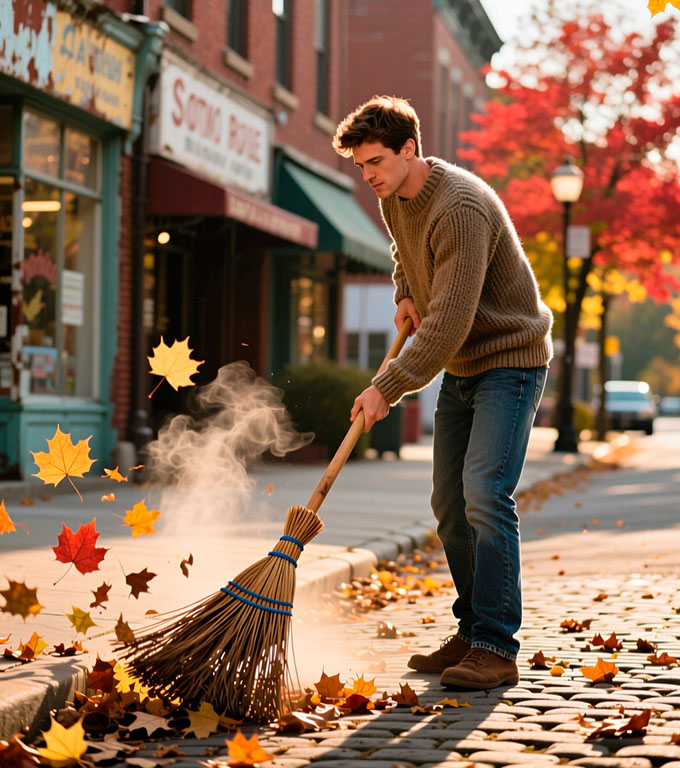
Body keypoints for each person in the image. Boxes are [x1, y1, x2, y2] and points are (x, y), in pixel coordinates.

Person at [333, 96, 553, 690]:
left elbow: (451, 321)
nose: (369, 174)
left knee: (484, 492)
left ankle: (496, 646)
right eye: (360, 166)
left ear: (411, 149)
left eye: (376, 160)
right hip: (461, 368)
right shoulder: (393, 196)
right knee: (448, 507)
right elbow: (405, 251)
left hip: (509, 360)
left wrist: (388, 387)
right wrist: (405, 287)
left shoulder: (458, 207)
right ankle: (471, 628)